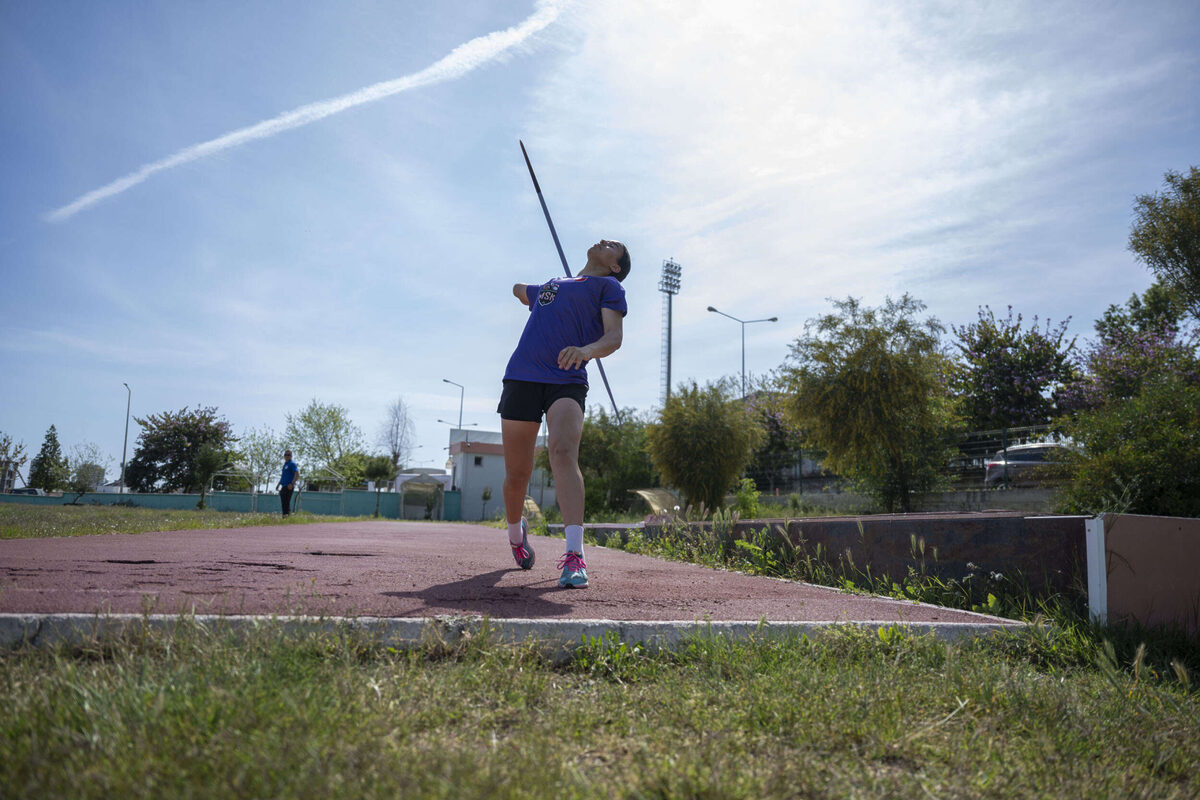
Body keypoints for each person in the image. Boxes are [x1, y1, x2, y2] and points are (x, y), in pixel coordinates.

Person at [498, 239, 630, 588]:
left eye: (613, 246)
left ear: (615, 265)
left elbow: (614, 337)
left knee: (562, 452)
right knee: (517, 475)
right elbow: (519, 291)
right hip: (522, 376)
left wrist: (586, 350)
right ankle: (516, 534)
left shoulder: (609, 286)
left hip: (567, 376)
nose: (604, 241)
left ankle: (575, 556)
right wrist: (531, 290)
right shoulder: (554, 284)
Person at [276, 450, 299, 517]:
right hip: (283, 485)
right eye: (286, 455)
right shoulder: (285, 465)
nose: (287, 456)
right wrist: (278, 484)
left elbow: (297, 474)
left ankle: (287, 515)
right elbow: (283, 476)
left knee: (286, 501)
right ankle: (285, 514)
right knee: (283, 501)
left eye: (288, 455)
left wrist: (292, 484)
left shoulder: (292, 464)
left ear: (291, 456)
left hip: (289, 486)